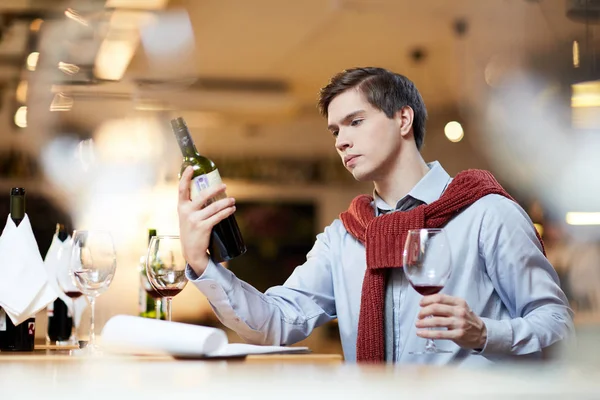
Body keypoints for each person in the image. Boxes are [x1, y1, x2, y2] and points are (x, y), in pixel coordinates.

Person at [177, 67, 574, 364]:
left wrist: (485, 332)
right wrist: (203, 263)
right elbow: (277, 321)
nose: (342, 140)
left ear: (403, 119)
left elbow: (557, 323)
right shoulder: (345, 237)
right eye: (335, 131)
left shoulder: (488, 213)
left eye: (355, 121)